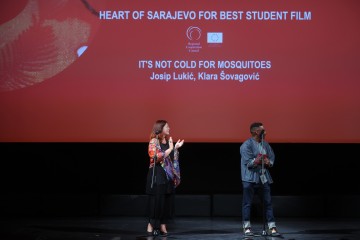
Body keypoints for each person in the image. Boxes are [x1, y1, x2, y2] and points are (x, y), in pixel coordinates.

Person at [239, 122, 280, 237]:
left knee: (268, 202)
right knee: (247, 203)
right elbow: (248, 163)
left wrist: (268, 162)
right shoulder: (246, 145)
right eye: (263, 130)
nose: (265, 132)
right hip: (249, 179)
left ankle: (272, 227)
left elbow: (271, 158)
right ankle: (247, 227)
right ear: (257, 132)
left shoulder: (265, 144)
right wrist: (258, 160)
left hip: (263, 178)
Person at [145, 120, 184, 237]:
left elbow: (170, 159)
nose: (169, 128)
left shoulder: (167, 142)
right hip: (157, 174)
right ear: (160, 128)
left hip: (167, 176)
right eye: (167, 127)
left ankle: (163, 224)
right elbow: (156, 157)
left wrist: (175, 148)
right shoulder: (154, 141)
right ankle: (151, 224)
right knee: (157, 200)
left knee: (167, 200)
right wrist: (170, 148)